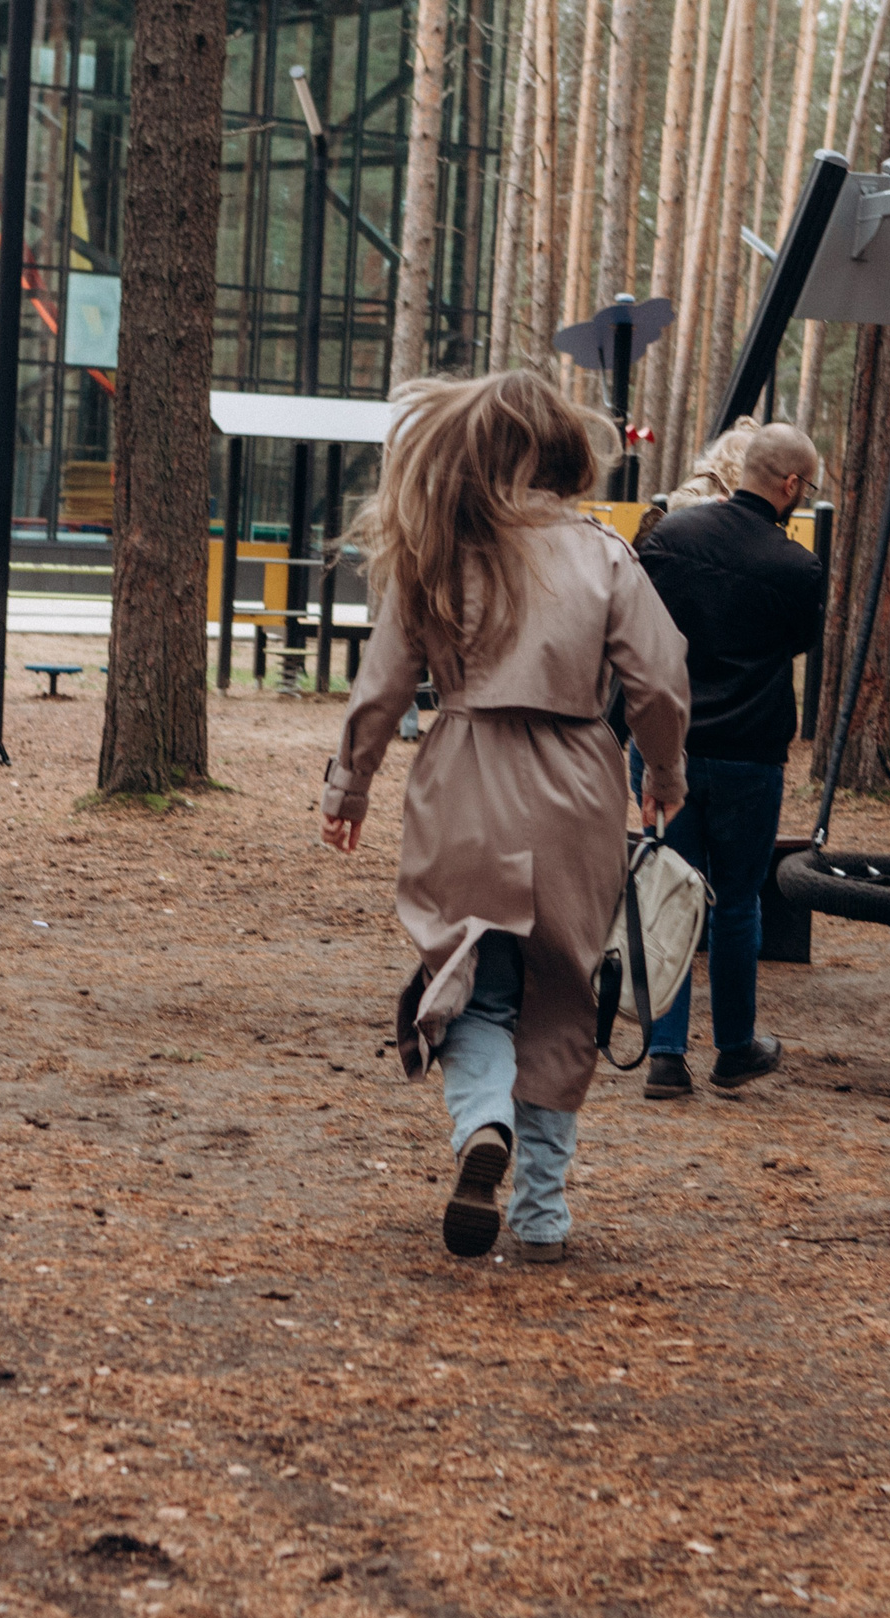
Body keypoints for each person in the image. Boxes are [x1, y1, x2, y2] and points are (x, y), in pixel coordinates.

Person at [321, 369, 690, 1264]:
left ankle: (481, 1121)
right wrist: (665, 770)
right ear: (563, 446)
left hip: (462, 772)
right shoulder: (603, 552)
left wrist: (350, 786)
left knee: (468, 974)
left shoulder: (436, 549)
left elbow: (382, 686)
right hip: (578, 780)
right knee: (565, 987)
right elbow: (660, 678)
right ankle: (540, 1212)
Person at [630, 420, 825, 1100]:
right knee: (738, 903)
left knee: (665, 890)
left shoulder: (668, 539)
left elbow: (638, 629)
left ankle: (664, 1050)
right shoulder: (797, 566)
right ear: (791, 485)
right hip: (749, 752)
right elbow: (799, 642)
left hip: (667, 746)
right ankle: (735, 1046)